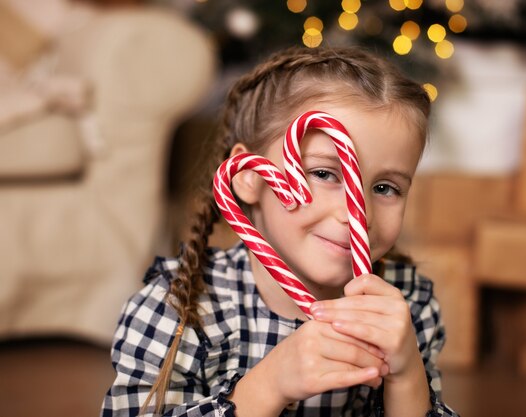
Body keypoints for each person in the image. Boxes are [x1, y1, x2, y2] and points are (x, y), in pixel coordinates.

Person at [101, 46, 459, 417]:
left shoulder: (406, 304)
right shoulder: (176, 307)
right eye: (323, 173)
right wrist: (268, 386)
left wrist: (406, 377)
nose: (359, 214)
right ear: (251, 176)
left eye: (386, 188)